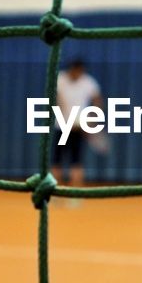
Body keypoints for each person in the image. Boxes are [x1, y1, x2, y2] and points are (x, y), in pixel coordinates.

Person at [51, 58, 103, 190]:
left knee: (76, 160)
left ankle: (75, 193)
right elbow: (57, 99)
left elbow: (98, 99)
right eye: (76, 71)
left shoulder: (88, 82)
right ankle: (54, 192)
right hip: (61, 126)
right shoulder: (60, 79)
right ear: (72, 69)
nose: (78, 74)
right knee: (57, 160)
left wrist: (92, 119)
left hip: (79, 128)